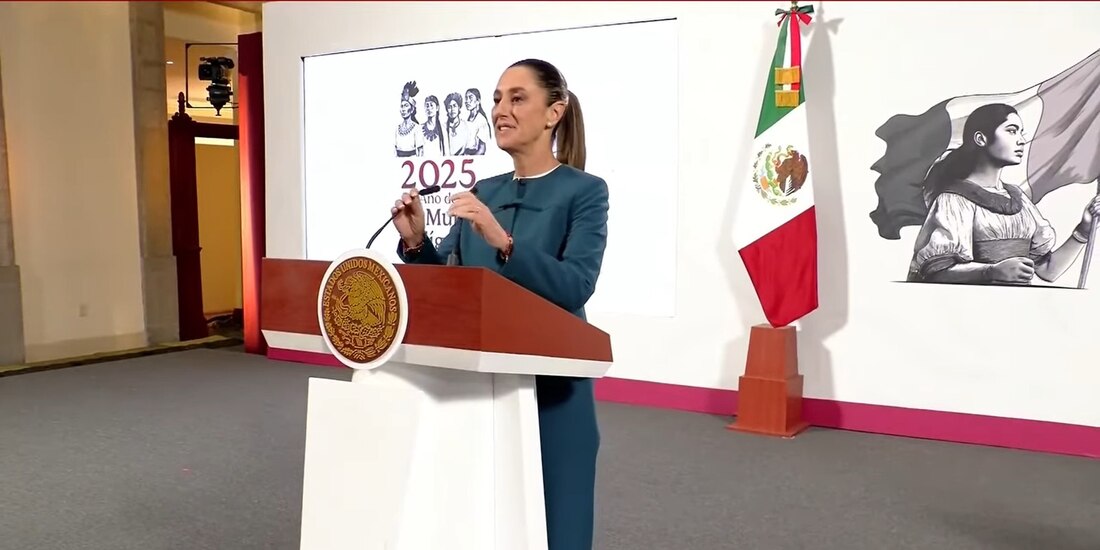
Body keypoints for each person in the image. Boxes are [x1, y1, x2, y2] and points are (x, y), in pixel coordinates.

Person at [389, 58, 608, 550]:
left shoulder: (585, 192)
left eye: (516, 97)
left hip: (554, 392)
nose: (499, 110)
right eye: (495, 98)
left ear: (554, 113)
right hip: (481, 390)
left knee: (559, 528)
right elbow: (447, 285)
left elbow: (575, 286)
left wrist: (503, 241)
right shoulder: (484, 191)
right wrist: (418, 242)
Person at [907, 102, 1100, 284]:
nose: (1022, 141)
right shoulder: (954, 200)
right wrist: (991, 271)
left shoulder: (1019, 200)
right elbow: (936, 273)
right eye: (1012, 131)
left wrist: (1084, 229)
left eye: (1021, 133)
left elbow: (1048, 271)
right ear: (981, 139)